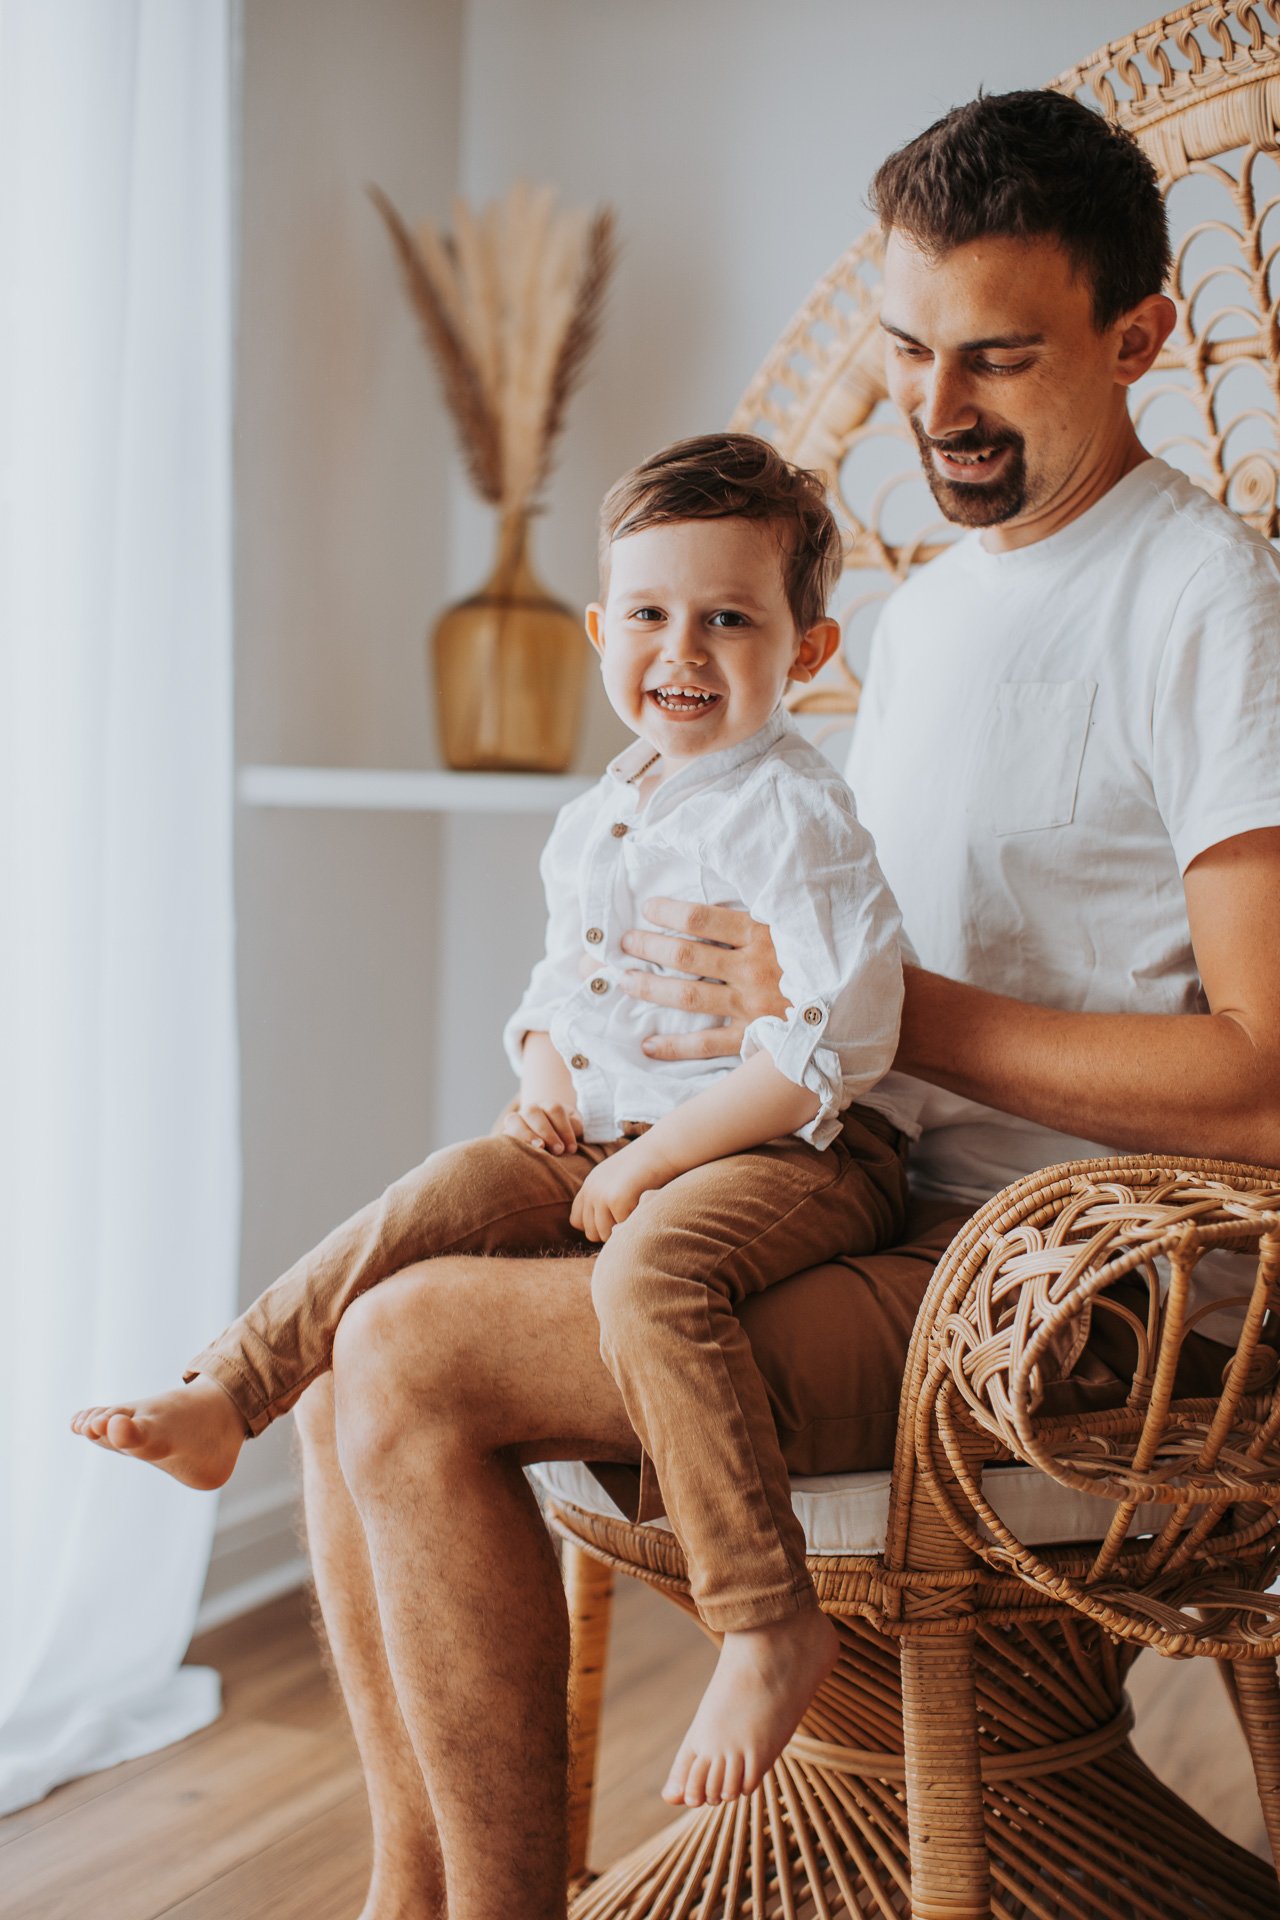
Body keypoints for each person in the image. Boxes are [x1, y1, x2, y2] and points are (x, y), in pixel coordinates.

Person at [84, 87, 1280, 1920]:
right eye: (904, 352)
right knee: (340, 1375)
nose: (935, 414)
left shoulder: (1207, 603)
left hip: (1063, 1271)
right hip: (849, 1182)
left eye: (998, 359)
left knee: (408, 1352)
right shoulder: (941, 609)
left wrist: (876, 1017)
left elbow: (1264, 1087)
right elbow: (791, 930)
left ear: (1142, 336)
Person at [71, 433, 927, 1808]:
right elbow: (557, 990)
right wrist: (541, 1076)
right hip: (606, 1136)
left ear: (808, 651)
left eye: (728, 618)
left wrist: (658, 1158)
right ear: (600, 629)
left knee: (654, 1275)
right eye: (649, 614)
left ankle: (768, 1618)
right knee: (440, 1191)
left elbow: (842, 1039)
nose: (681, 649)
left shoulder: (795, 816)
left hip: (797, 1149)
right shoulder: (603, 815)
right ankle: (229, 1389)